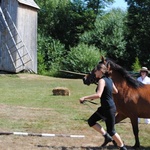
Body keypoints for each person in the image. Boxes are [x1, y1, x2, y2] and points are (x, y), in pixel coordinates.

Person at [79, 63, 127, 150]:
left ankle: (123, 147)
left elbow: (98, 95)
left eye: (96, 71)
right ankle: (106, 136)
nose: (95, 73)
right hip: (105, 108)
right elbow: (115, 91)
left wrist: (84, 97)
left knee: (111, 131)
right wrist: (106, 92)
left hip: (109, 108)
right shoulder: (109, 79)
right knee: (91, 121)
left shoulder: (102, 80)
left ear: (100, 71)